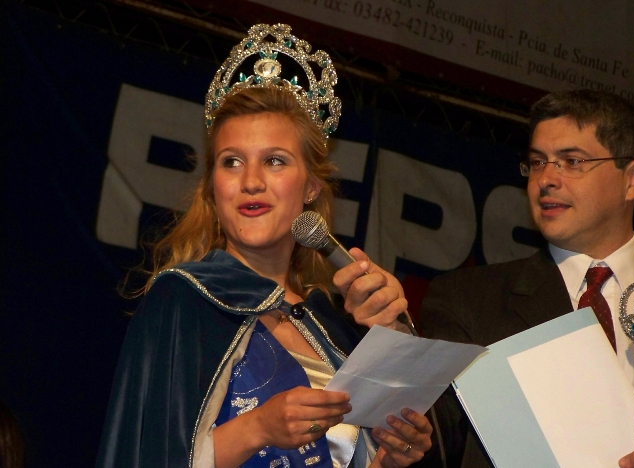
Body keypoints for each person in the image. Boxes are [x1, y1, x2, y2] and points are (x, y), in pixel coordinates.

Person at [96, 24, 432, 468]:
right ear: (213, 187)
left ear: (311, 187)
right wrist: (257, 428)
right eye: (232, 162)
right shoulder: (182, 302)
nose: (251, 181)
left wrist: (389, 456)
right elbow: (145, 457)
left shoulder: (331, 327)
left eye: (274, 161)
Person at [419, 90, 634, 467]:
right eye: (537, 162)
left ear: (633, 178)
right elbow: (430, 442)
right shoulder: (468, 301)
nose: (546, 179)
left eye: (572, 161)